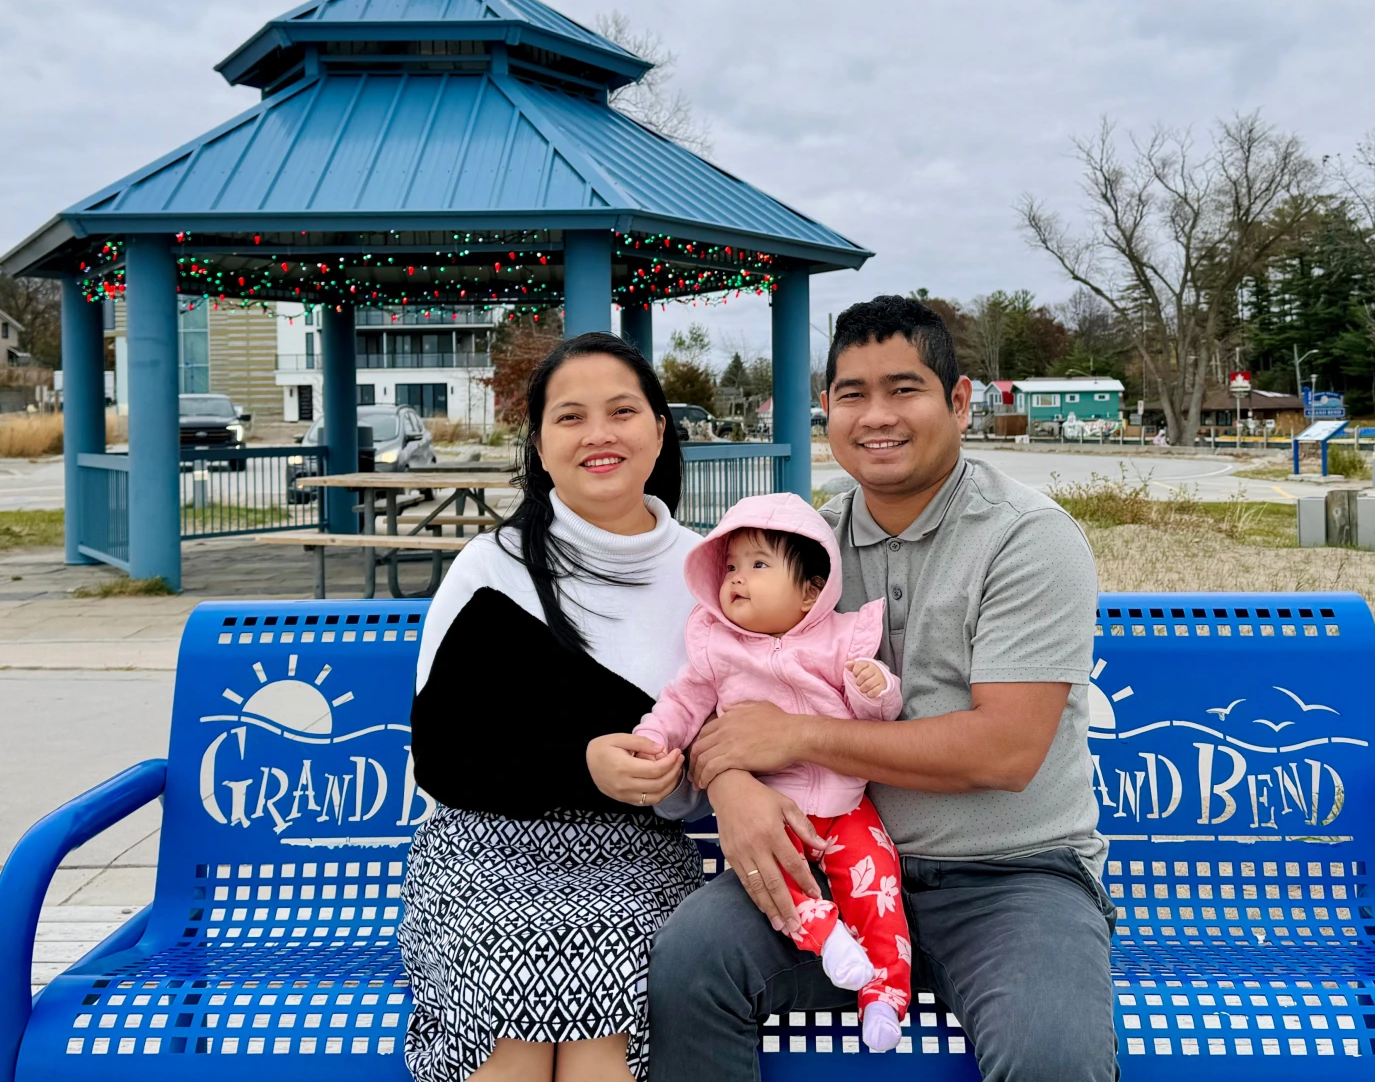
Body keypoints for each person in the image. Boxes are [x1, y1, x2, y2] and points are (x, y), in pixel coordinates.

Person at [648, 295, 1115, 1082]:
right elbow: (722, 696)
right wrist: (730, 783)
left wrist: (801, 737)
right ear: (826, 408)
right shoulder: (799, 549)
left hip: (1009, 877)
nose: (877, 416)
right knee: (690, 964)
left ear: (958, 402)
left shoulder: (1026, 537)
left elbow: (1005, 751)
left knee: (1052, 1056)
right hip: (826, 863)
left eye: (904, 389)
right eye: (852, 394)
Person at [401, 332, 704, 1082]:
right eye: (570, 417)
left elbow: (730, 744)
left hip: (636, 858)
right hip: (480, 851)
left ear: (659, 428)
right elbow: (441, 757)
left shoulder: (710, 574)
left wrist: (676, 779)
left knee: (604, 990)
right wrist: (583, 767)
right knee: (518, 991)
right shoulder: (492, 569)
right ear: (538, 444)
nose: (599, 434)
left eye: (622, 411)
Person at [631, 494, 910, 1052]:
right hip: (769, 808)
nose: (737, 578)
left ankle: (884, 995)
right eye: (731, 566)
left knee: (880, 886)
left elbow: (874, 717)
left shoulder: (839, 640)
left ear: (810, 592)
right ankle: (827, 938)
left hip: (847, 806)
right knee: (775, 879)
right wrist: (653, 739)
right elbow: (681, 704)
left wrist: (876, 688)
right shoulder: (718, 651)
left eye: (759, 565)